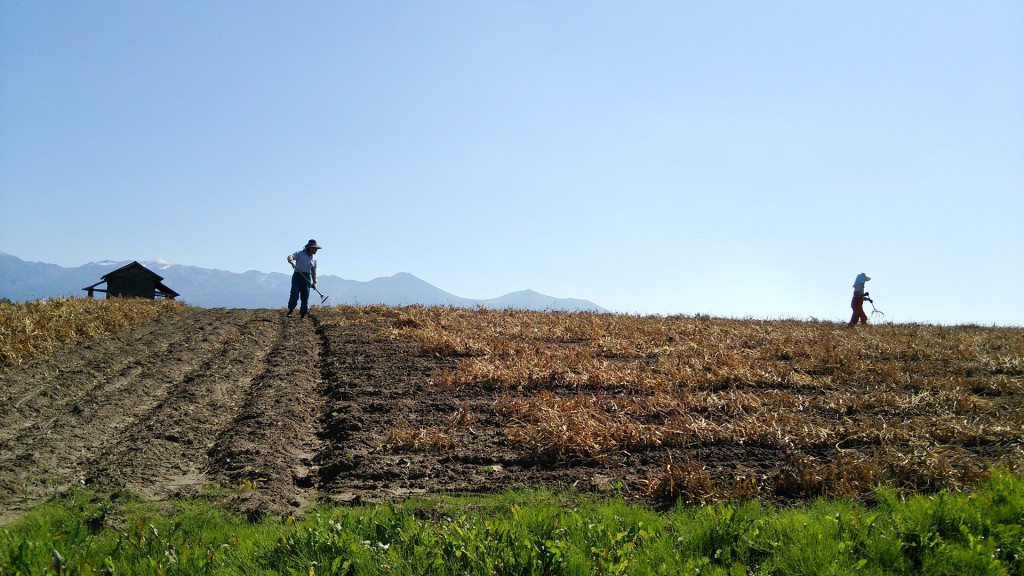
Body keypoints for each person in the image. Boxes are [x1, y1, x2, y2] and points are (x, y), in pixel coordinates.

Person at [287, 239, 322, 319]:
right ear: (310, 248)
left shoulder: (314, 259)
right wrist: (291, 261)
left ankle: (303, 315)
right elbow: (290, 256)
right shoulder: (299, 254)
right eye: (315, 248)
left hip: (307, 277)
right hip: (297, 276)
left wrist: (315, 282)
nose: (316, 250)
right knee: (294, 294)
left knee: (305, 297)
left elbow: (314, 271)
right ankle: (291, 309)